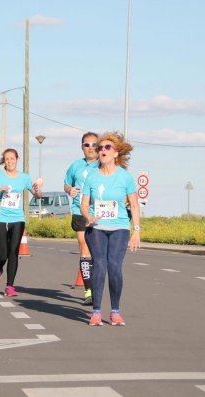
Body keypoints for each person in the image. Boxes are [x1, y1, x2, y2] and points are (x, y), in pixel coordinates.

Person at [80, 132, 141, 326]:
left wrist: (136, 231)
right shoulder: (91, 177)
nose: (102, 150)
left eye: (107, 148)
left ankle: (115, 311)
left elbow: (134, 205)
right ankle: (96, 312)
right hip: (96, 227)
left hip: (120, 227)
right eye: (100, 148)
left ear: (116, 154)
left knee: (114, 267)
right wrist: (88, 216)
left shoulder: (125, 177)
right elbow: (84, 204)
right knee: (99, 265)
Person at [0, 149, 41, 296]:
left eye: (12, 158)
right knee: (2, 253)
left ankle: (10, 286)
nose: (10, 161)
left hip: (18, 218)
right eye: (7, 159)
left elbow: (37, 195)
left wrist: (36, 189)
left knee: (13, 252)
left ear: (17, 159)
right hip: (1, 218)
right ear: (3, 161)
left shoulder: (24, 177)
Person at [64, 132, 100, 305]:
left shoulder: (103, 165)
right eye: (87, 145)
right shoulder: (76, 166)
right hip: (79, 210)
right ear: (82, 147)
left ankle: (96, 285)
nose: (91, 148)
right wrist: (69, 189)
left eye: (94, 144)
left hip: (99, 212)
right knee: (84, 246)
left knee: (98, 252)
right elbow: (66, 184)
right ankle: (88, 291)